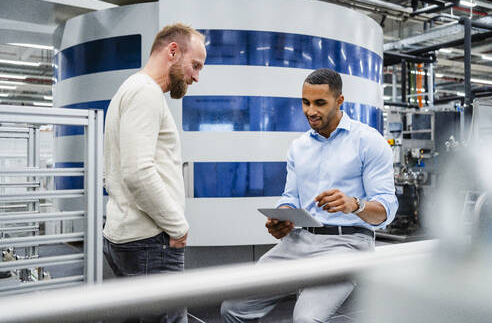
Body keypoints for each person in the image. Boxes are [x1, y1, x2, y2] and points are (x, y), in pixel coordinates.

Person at [221, 68, 398, 323]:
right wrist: (282, 216)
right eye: (305, 102)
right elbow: (290, 197)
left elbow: (386, 209)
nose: (310, 111)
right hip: (298, 240)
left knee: (306, 319)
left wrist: (354, 204)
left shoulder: (369, 142)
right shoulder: (299, 147)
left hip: (347, 245)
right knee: (234, 307)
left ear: (339, 101)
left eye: (319, 103)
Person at [103, 23, 206, 323]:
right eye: (195, 65)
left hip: (131, 239)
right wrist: (178, 227)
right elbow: (137, 172)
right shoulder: (145, 93)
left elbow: (116, 172)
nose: (196, 77)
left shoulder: (130, 89)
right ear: (173, 51)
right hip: (152, 243)